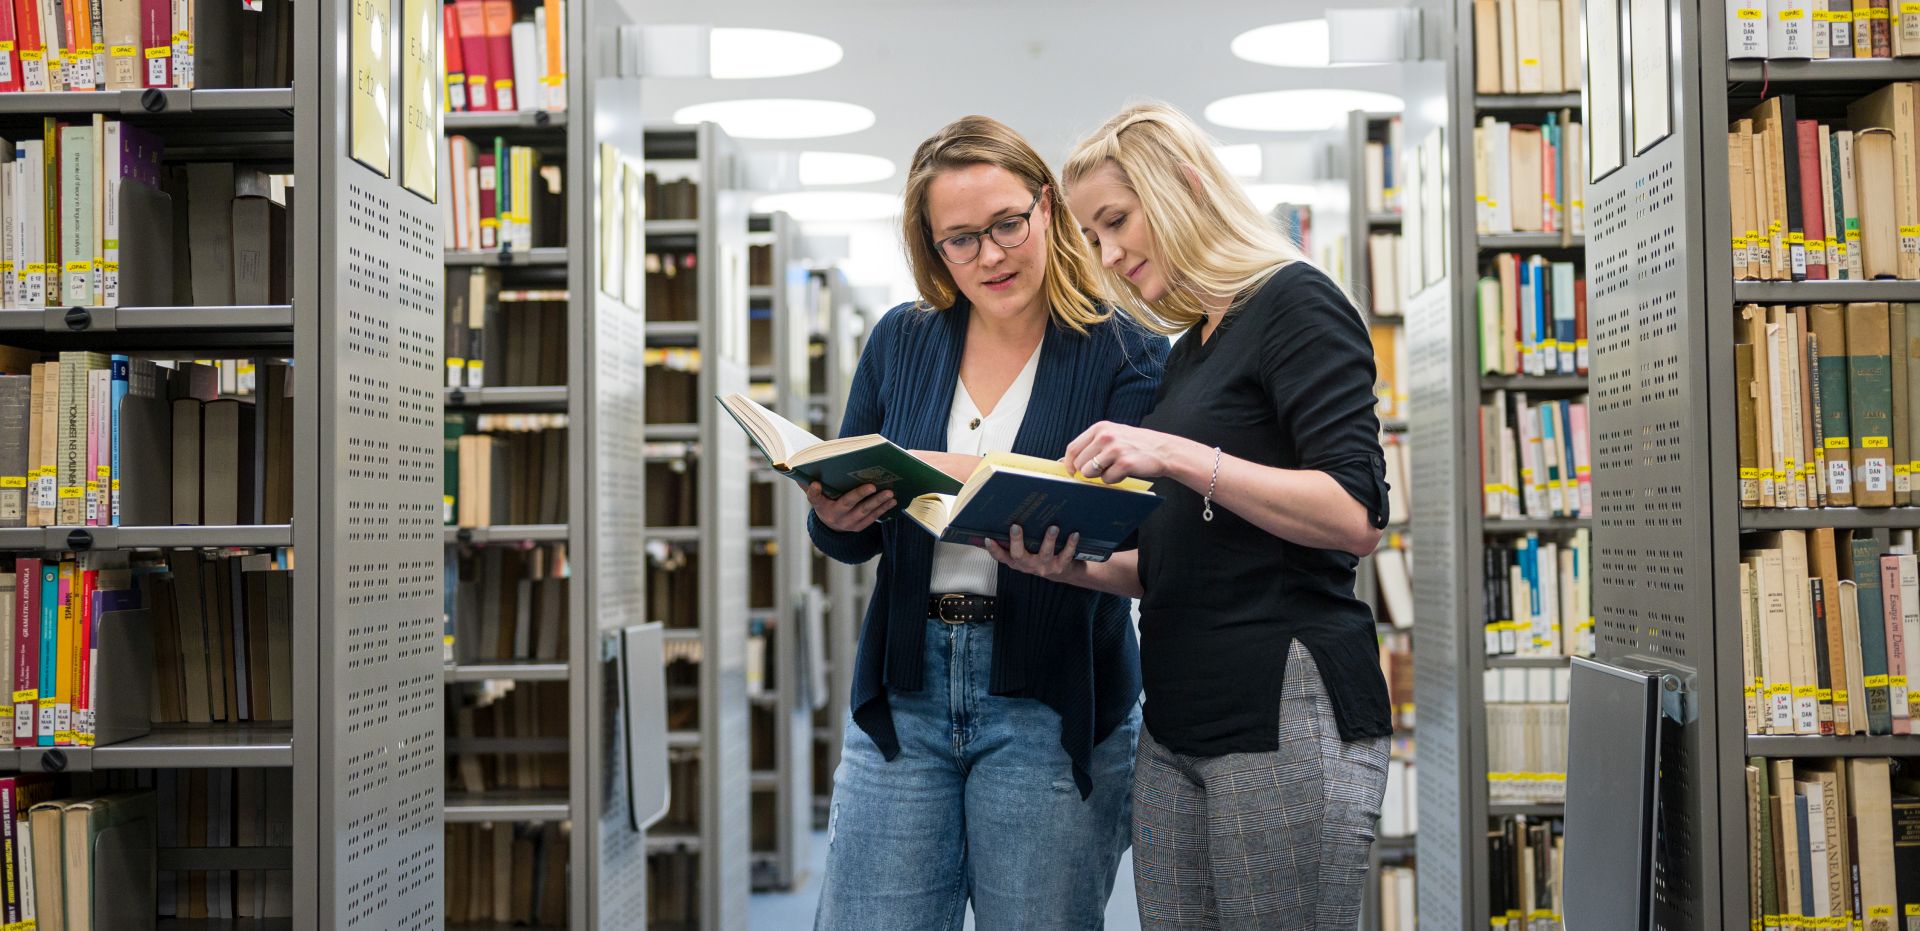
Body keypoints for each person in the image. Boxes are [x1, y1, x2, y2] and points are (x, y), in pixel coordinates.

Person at [988, 101, 1394, 930]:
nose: (1109, 255)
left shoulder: (1296, 303)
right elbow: (1181, 555)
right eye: (1094, 237)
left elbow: (1355, 514)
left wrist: (1172, 454)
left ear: (1182, 185)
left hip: (1279, 700)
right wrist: (1068, 566)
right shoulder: (1192, 349)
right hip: (1176, 716)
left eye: (1116, 222)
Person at [807, 114, 1168, 930]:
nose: (991, 256)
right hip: (906, 693)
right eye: (960, 240)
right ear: (933, 248)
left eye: (1007, 224)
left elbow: (1147, 535)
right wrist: (835, 512)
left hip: (1051, 694)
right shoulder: (902, 340)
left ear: (1047, 207)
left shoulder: (1129, 352)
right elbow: (852, 536)